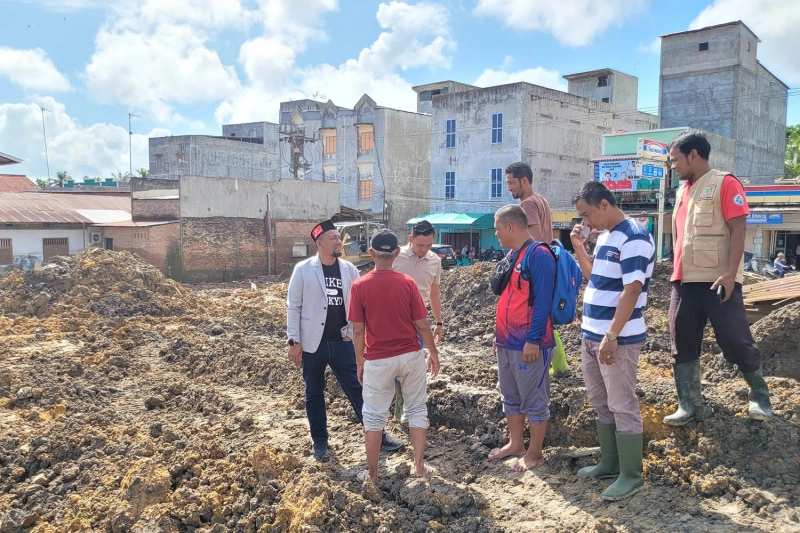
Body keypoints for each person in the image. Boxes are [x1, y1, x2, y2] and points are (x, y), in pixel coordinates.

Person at [665, 129, 772, 425]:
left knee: (735, 339)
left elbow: (739, 230)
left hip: (717, 280)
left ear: (694, 155)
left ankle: (760, 397)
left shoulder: (725, 183)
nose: (673, 167)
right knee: (681, 341)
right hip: (683, 281)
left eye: (675, 160)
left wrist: (730, 273)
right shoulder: (681, 191)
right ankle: (688, 404)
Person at [286, 219, 403, 461]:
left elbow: (357, 305)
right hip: (312, 344)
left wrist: (352, 333)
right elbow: (293, 306)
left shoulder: (349, 270)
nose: (339, 241)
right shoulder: (304, 270)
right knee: (314, 393)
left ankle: (377, 434)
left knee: (360, 388)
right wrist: (293, 340)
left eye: (339, 238)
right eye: (333, 238)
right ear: (319, 243)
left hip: (342, 342)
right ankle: (320, 441)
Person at [570, 181, 654, 501]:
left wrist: (612, 335)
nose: (585, 222)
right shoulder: (605, 236)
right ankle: (609, 462)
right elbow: (595, 278)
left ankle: (631, 474)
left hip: (617, 338)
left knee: (622, 403)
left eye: (587, 214)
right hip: (592, 334)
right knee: (601, 400)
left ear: (604, 204)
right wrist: (579, 247)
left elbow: (631, 290)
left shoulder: (634, 236)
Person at [349, 230, 441, 483]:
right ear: (397, 252)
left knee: (374, 416)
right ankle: (420, 466)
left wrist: (359, 361)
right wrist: (433, 352)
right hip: (410, 355)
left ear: (371, 254)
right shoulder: (407, 283)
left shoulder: (360, 286)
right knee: (417, 409)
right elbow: (422, 324)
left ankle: (374, 474)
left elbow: (358, 330)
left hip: (378, 359)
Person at [488, 205, 556, 472]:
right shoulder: (513, 255)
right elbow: (507, 300)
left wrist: (534, 340)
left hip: (528, 343)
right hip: (507, 341)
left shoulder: (539, 255)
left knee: (534, 398)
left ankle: (534, 453)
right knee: (510, 396)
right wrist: (499, 337)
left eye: (497, 229)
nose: (496, 235)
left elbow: (542, 303)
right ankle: (516, 443)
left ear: (510, 227)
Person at [391, 220, 444, 423]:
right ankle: (397, 408)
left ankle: (406, 411)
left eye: (429, 245)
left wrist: (438, 322)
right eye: (420, 245)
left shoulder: (435, 261)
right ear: (411, 239)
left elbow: (434, 292)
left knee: (412, 366)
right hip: (392, 319)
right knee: (393, 366)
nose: (424, 250)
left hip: (418, 321)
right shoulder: (397, 256)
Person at [505, 162, 553, 244]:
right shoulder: (541, 200)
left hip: (536, 256)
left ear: (524, 181)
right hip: (546, 254)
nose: (509, 188)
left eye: (511, 183)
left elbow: (535, 240)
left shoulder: (528, 203)